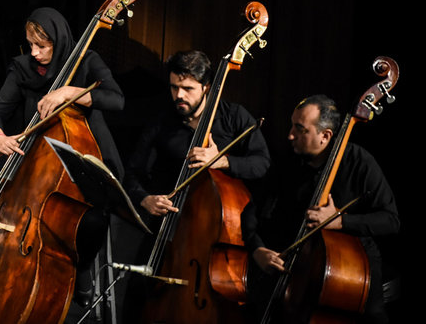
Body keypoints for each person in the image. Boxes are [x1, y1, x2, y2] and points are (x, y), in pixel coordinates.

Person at [0, 6, 125, 306]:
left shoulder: (86, 62)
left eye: (42, 46)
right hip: (38, 166)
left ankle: (82, 268)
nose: (34, 52)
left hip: (87, 168)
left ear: (58, 41)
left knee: (91, 221)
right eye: (30, 44)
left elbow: (117, 100)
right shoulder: (22, 68)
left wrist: (69, 92)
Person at [119, 49, 271, 320]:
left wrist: (222, 161)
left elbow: (262, 164)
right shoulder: (161, 120)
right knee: (137, 296)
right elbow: (132, 174)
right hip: (165, 233)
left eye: (187, 89)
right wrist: (145, 199)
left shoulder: (234, 118)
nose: (179, 95)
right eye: (174, 87)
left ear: (206, 87)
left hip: (211, 240)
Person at [241, 94, 400, 324]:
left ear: (325, 136)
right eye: (291, 125)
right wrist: (257, 249)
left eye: (299, 129)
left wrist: (340, 221)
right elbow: (252, 210)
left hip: (352, 271)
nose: (290, 135)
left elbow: (391, 220)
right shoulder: (289, 161)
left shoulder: (359, 162)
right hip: (297, 270)